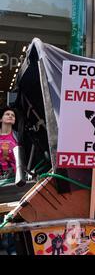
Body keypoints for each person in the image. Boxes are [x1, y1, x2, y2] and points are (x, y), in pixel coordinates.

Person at [0, 107, 18, 255]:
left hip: (13, 179)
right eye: (7, 114)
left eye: (13, 115)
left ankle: (11, 247)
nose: (11, 116)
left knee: (11, 215)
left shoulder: (17, 136)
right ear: (1, 119)